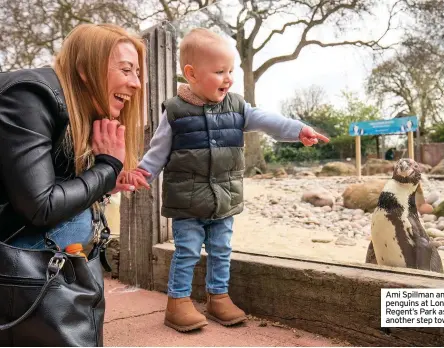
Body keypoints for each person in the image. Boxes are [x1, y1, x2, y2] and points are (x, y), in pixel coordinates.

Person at [122, 28, 330, 333]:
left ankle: (218, 297)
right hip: (187, 202)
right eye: (220, 71)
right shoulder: (176, 112)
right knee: (187, 251)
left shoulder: (237, 107)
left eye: (230, 70)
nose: (228, 77)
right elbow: (158, 151)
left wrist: (298, 130)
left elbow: (268, 120)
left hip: (225, 198)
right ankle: (177, 303)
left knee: (221, 250)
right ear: (191, 74)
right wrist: (141, 174)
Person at [0, 23, 145, 253]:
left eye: (137, 73)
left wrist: (106, 184)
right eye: (126, 70)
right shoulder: (29, 97)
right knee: (78, 222)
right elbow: (42, 207)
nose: (136, 84)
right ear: (85, 70)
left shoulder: (72, 110)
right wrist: (107, 168)